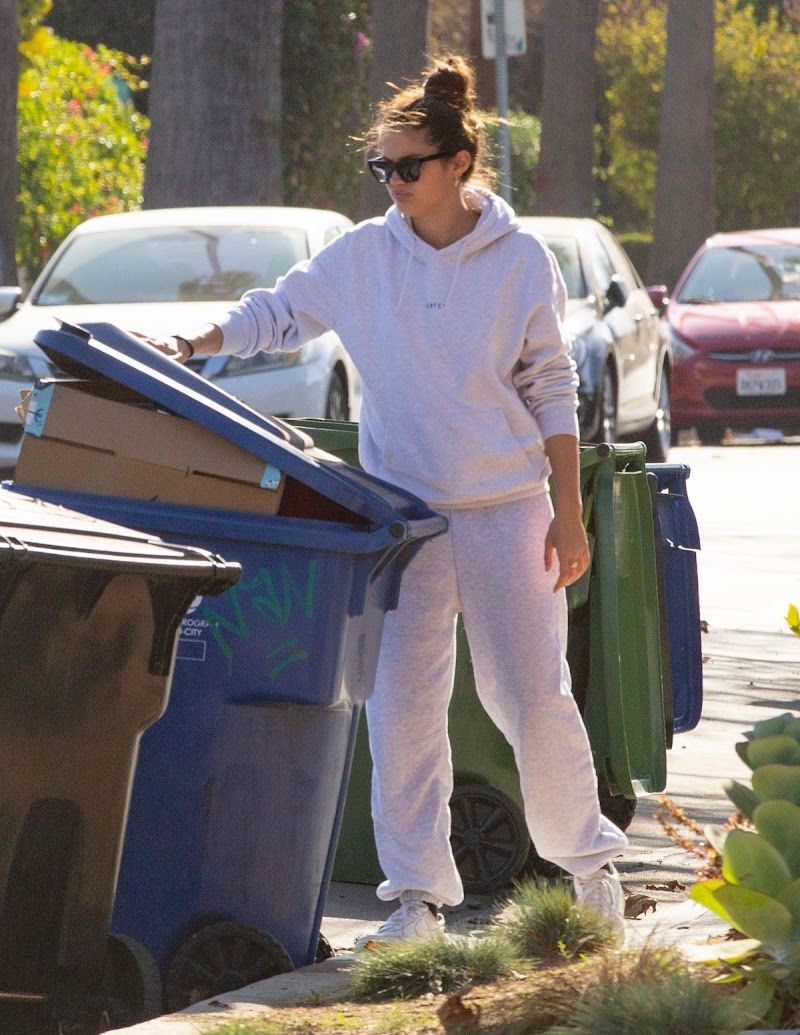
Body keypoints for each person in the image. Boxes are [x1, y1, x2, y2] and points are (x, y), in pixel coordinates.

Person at [142, 54, 628, 947]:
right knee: (402, 706)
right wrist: (193, 336)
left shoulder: (520, 261)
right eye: (383, 169)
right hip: (403, 518)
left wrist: (569, 508)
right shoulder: (364, 258)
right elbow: (276, 312)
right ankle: (416, 901)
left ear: (457, 164)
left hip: (509, 506)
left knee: (531, 696)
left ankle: (593, 870)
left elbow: (552, 385)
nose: (395, 184)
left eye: (409, 167)